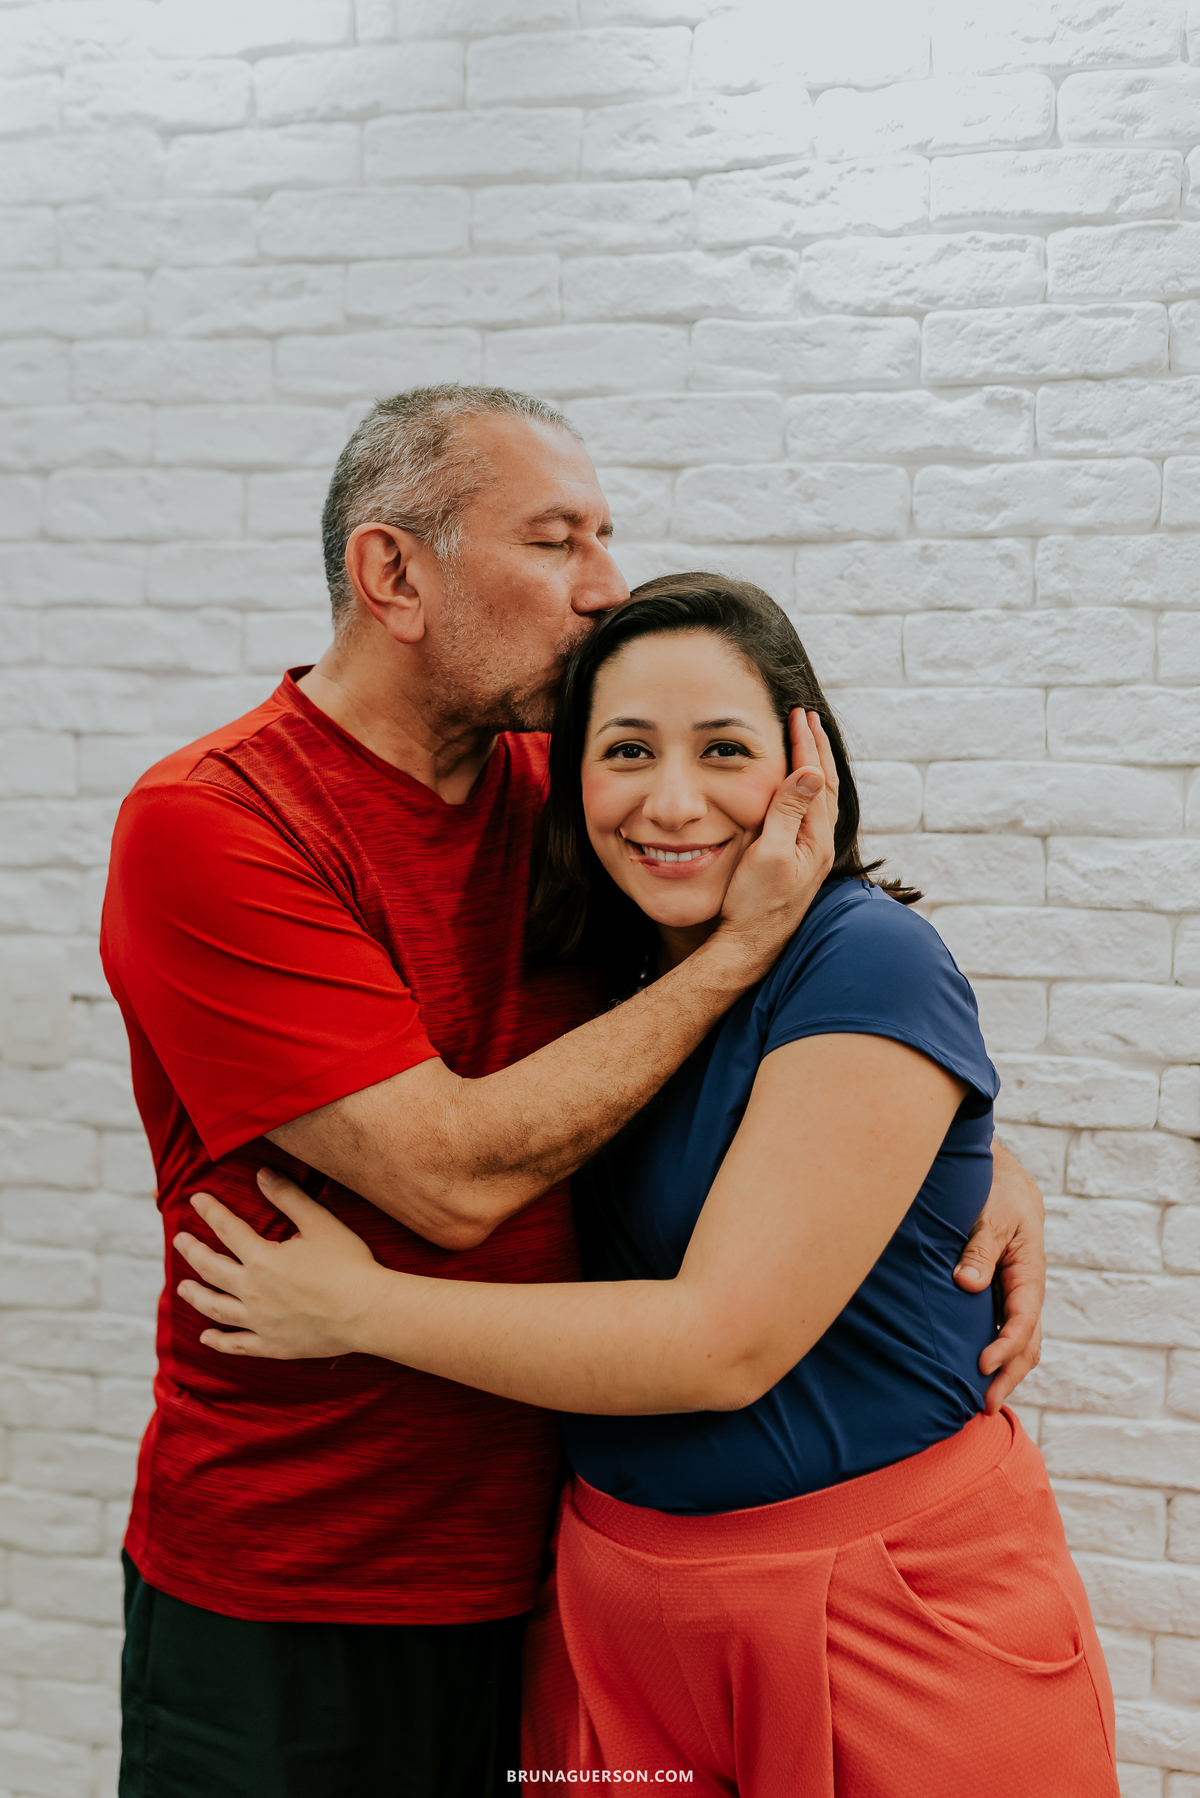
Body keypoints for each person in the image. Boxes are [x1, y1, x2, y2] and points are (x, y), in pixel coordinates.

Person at [100, 387, 1046, 1798]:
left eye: (605, 536)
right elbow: (450, 1177)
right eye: (557, 542)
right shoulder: (218, 823)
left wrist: (944, 1153)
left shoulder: (576, 787)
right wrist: (739, 955)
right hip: (302, 1582)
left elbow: (801, 1015)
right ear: (393, 574)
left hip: (560, 1572)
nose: (605, 586)